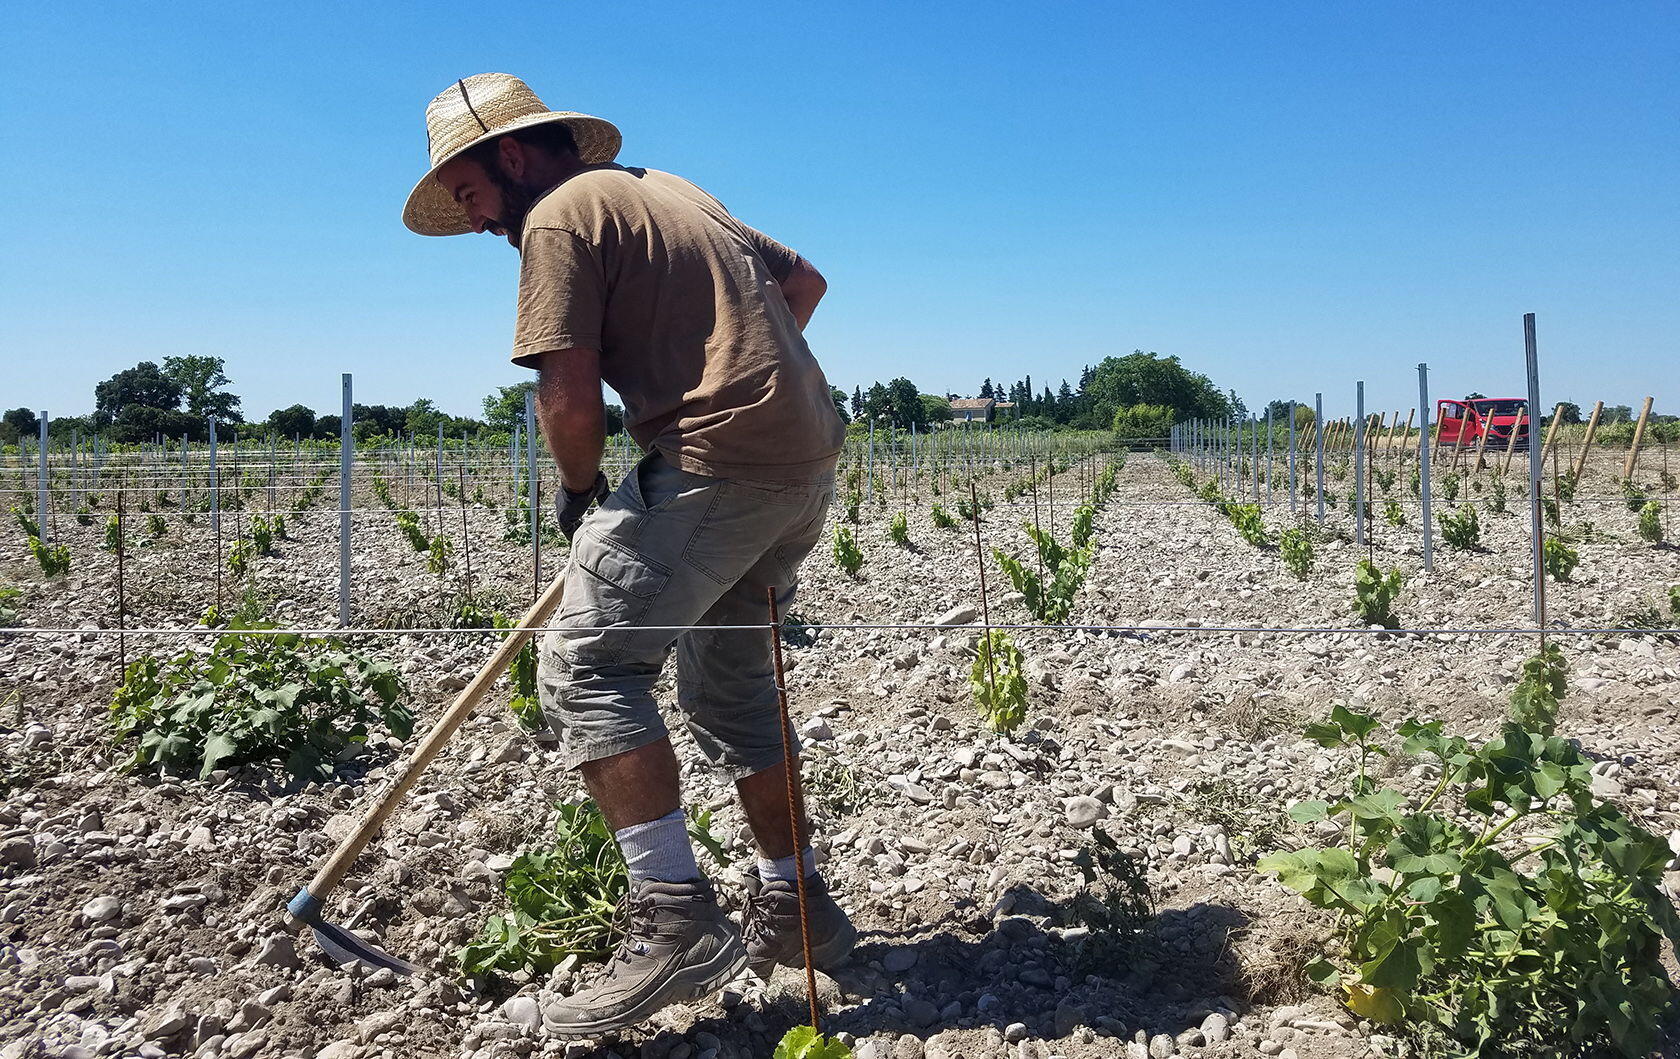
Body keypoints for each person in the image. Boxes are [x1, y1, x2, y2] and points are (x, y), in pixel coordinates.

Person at [404, 73, 855, 1037]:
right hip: (803, 459)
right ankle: (796, 904)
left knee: (587, 664)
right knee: (734, 687)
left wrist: (578, 493)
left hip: (714, 464)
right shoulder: (670, 187)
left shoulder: (557, 219)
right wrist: (744, 375)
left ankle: (673, 921)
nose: (480, 222)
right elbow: (804, 283)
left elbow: (567, 400)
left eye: (474, 196)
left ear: (512, 155)